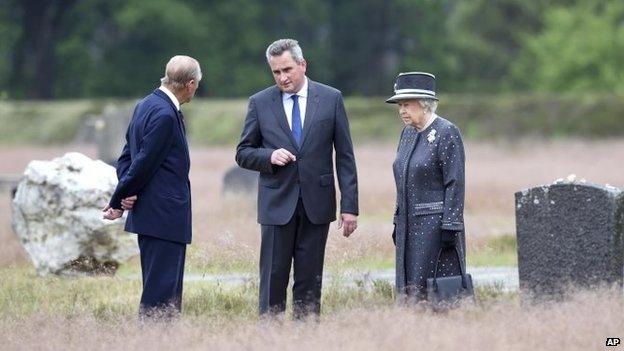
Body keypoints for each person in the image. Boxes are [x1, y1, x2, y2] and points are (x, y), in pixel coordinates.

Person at [236, 38, 358, 319]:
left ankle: (306, 340)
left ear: (303, 65)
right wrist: (268, 156)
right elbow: (243, 152)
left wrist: (349, 206)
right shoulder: (260, 102)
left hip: (317, 205)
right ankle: (272, 340)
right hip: (276, 204)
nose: (283, 77)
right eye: (276, 72)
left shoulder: (331, 98)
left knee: (309, 279)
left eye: (288, 69)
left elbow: (345, 156)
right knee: (273, 279)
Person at [102, 55, 201, 318]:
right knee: (162, 297)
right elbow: (143, 162)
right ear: (190, 84)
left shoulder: (145, 104)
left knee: (159, 289)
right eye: (197, 85)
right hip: (164, 217)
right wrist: (117, 201)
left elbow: (127, 157)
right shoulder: (166, 115)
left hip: (152, 215)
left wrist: (128, 193)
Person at [386, 72, 466, 303]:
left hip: (436, 228)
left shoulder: (446, 132)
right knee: (409, 293)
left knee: (437, 296)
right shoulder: (407, 134)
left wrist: (451, 224)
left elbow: (455, 181)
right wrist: (397, 219)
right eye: (399, 105)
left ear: (424, 104)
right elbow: (402, 180)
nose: (401, 110)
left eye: (407, 104)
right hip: (407, 226)